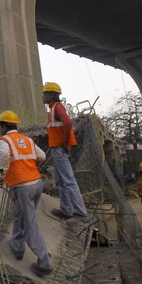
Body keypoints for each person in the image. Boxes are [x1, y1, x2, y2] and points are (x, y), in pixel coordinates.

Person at [0, 110, 53, 277]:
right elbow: (41, 156)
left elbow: (5, 154)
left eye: (0, 126)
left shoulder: (4, 140)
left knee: (29, 223)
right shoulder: (27, 140)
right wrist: (26, 161)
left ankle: (44, 261)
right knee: (19, 215)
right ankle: (17, 246)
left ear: (4, 126)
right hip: (37, 183)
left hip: (23, 186)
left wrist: (1, 175)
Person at [41, 82, 87, 220]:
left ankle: (80, 212)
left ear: (51, 95)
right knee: (61, 181)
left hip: (59, 149)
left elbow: (67, 122)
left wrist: (65, 143)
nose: (43, 96)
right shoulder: (53, 109)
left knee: (68, 180)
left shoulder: (57, 107)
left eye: (44, 94)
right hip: (57, 149)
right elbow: (59, 128)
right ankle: (66, 210)